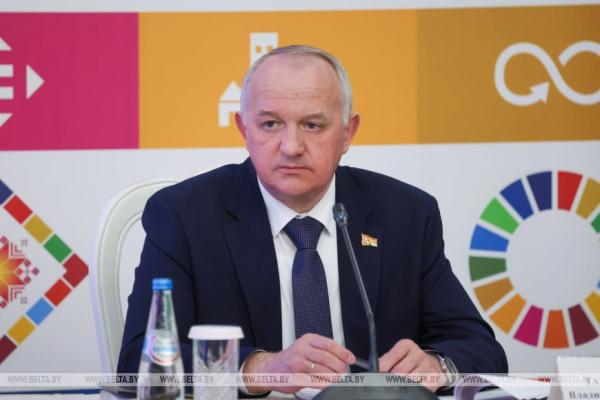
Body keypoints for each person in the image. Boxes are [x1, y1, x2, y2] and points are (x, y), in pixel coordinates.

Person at [118, 45, 508, 395]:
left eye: (313, 125)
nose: (291, 146)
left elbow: (480, 348)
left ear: (348, 133)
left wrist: (438, 366)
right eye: (270, 124)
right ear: (243, 130)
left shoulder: (405, 215)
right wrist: (259, 370)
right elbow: (141, 363)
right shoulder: (185, 216)